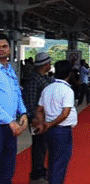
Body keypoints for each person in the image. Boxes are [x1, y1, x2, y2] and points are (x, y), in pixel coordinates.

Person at [34, 60, 78, 184]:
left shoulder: (48, 88)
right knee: (60, 163)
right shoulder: (67, 90)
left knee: (53, 160)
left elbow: (39, 109)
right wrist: (49, 124)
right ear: (69, 74)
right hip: (61, 130)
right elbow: (65, 113)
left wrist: (43, 124)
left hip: (50, 131)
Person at [0, 34, 28, 184]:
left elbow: (17, 93)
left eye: (4, 47)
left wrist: (23, 112)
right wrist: (10, 120)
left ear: (10, 49)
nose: (1, 50)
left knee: (8, 166)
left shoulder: (9, 70)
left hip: (10, 127)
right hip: (4, 124)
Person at [22, 52, 54, 184]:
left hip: (45, 118)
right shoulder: (34, 79)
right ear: (45, 65)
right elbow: (30, 99)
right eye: (49, 63)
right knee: (39, 146)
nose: (50, 65)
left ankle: (40, 169)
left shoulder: (43, 78)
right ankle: (37, 172)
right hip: (38, 118)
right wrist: (33, 117)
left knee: (43, 145)